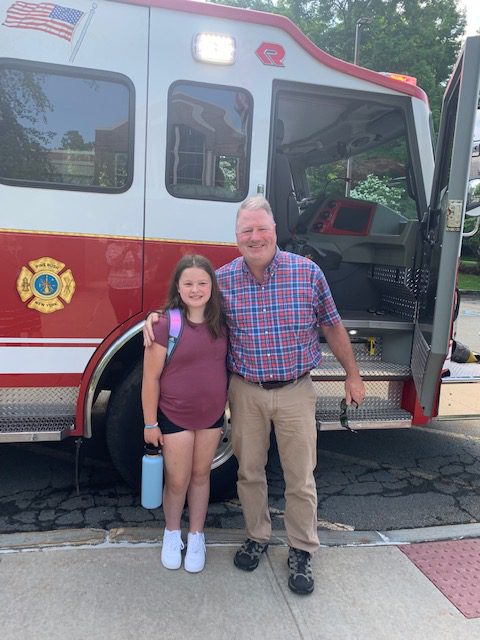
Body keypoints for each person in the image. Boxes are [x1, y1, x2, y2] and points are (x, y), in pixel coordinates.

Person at [144, 197, 365, 594]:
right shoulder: (222, 281)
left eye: (261, 229)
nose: (255, 237)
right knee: (249, 472)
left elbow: (332, 326)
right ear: (236, 237)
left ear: (275, 231)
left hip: (297, 390)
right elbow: (186, 308)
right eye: (246, 231)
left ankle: (300, 550)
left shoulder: (307, 273)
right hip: (245, 392)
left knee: (300, 477)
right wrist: (153, 319)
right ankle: (257, 536)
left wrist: (353, 374)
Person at [142, 254, 227, 573]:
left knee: (201, 476)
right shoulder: (165, 324)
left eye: (202, 283)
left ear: (212, 287)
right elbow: (150, 378)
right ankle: (172, 533)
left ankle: (196, 535)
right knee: (177, 480)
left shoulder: (222, 322)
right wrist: (150, 423)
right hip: (174, 417)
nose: (196, 289)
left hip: (211, 417)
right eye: (188, 283)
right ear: (178, 286)